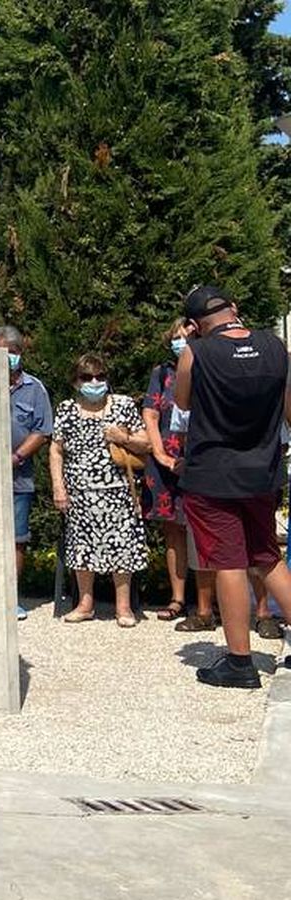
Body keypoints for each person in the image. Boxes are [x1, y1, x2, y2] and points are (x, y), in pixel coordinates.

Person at [174, 285, 291, 688]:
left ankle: (240, 663)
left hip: (214, 476)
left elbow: (183, 402)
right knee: (268, 556)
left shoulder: (197, 352)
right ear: (235, 309)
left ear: (193, 326)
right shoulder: (276, 347)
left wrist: (191, 349)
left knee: (229, 562)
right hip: (263, 472)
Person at [49, 353, 149, 627]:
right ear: (75, 381)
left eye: (100, 376)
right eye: (87, 377)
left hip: (118, 490)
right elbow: (56, 450)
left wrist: (122, 437)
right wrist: (58, 486)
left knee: (122, 546)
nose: (94, 382)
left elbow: (146, 443)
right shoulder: (66, 409)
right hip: (80, 493)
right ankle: (85, 604)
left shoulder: (124, 405)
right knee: (81, 547)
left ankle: (124, 607)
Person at [0, 325, 52, 620]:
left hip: (18, 477)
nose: (7, 359)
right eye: (1, 353)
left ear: (20, 354)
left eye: (12, 353)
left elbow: (41, 431)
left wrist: (14, 457)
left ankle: (11, 600)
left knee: (16, 539)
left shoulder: (34, 388)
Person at [142, 319, 196, 624]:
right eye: (175, 338)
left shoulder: (206, 368)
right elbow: (150, 413)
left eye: (184, 337)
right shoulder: (161, 374)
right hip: (164, 462)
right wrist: (160, 452)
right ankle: (177, 598)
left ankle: (208, 602)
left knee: (204, 531)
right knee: (173, 532)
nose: (179, 343)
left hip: (199, 462)